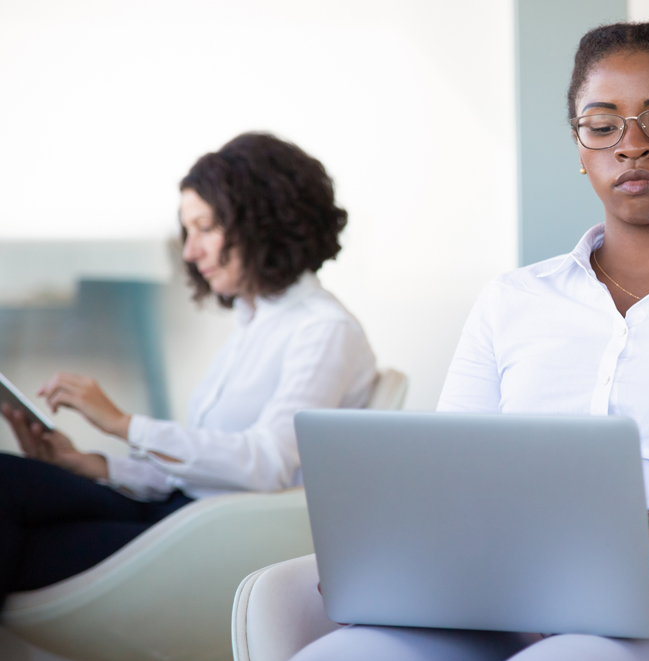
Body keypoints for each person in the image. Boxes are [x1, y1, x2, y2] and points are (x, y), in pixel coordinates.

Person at [286, 20, 649, 661]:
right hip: (503, 611)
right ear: (580, 147)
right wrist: (399, 555)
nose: (631, 146)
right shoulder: (511, 301)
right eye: (602, 125)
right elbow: (447, 484)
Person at [0, 132, 376, 606]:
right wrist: (89, 463)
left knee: (16, 534)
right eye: (187, 231)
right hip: (182, 516)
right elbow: (201, 469)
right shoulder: (255, 322)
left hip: (213, 542)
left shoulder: (323, 331)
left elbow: (267, 464)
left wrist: (123, 425)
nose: (190, 252)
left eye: (206, 228)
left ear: (264, 222)